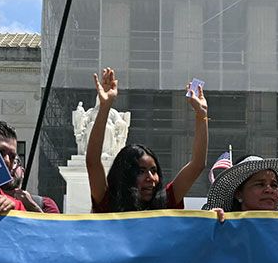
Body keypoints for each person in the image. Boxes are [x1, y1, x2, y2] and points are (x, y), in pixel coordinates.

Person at [86, 68, 209, 212]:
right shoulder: (108, 202)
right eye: (141, 171)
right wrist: (104, 107)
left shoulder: (166, 201)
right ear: (125, 174)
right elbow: (93, 161)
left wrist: (202, 116)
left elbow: (197, 165)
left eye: (154, 170)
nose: (150, 178)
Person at [203, 155, 278, 214]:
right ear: (239, 194)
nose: (269, 190)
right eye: (260, 184)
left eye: (274, 185)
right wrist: (209, 224)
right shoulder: (223, 225)